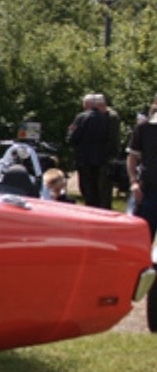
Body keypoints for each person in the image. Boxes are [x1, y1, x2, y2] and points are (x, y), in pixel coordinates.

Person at [125, 107, 157, 333]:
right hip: (149, 191)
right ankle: (130, 288)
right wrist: (134, 182)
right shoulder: (144, 129)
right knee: (141, 244)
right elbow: (132, 157)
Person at [68, 93, 120, 209]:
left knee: (88, 190)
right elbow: (113, 140)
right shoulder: (110, 119)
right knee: (101, 191)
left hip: (84, 160)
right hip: (103, 160)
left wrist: (70, 132)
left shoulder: (82, 117)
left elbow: (72, 139)